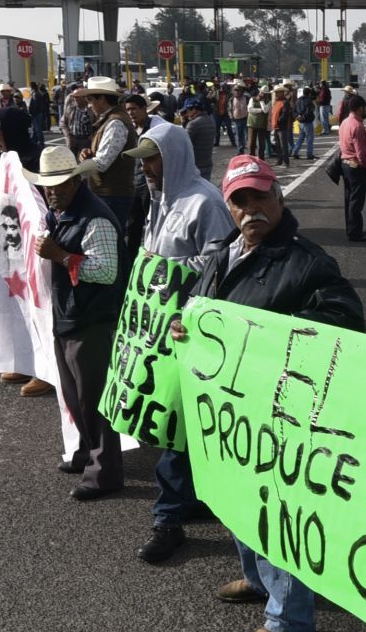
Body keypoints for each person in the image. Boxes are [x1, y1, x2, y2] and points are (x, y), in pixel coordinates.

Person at [172, 155, 365, 632]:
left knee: (278, 511)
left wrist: (273, 338)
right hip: (229, 409)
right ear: (230, 206)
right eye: (240, 200)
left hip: (279, 412)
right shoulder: (225, 253)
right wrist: (184, 325)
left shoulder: (309, 261)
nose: (251, 209)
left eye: (260, 197)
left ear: (279, 198)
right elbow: (198, 304)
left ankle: (289, 619)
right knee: (235, 499)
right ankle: (257, 579)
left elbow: (346, 325)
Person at [125, 120, 236, 563]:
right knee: (182, 423)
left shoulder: (203, 201)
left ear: (172, 157)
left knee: (173, 424)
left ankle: (167, 518)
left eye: (151, 160)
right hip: (160, 330)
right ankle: (192, 498)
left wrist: (163, 268)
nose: (146, 169)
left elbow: (219, 261)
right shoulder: (159, 199)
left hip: (192, 331)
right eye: (143, 161)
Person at [25, 145, 125, 501]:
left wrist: (62, 255)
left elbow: (107, 270)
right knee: (75, 395)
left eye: (60, 183)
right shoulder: (65, 211)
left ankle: (104, 472)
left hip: (90, 319)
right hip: (71, 315)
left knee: (93, 399)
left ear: (76, 180)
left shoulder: (93, 217)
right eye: (47, 184)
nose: (52, 190)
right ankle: (87, 454)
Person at [78, 76, 136, 227]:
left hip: (112, 194)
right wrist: (89, 153)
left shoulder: (116, 123)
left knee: (110, 240)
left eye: (90, 100)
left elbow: (102, 163)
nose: (89, 105)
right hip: (108, 192)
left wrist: (74, 172)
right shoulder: (110, 120)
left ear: (102, 99)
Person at [336, 92, 366, 241]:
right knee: (356, 201)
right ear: (359, 108)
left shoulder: (345, 122)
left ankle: (351, 229)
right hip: (356, 166)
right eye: (364, 108)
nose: (365, 110)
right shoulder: (357, 125)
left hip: (345, 164)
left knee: (349, 199)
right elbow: (361, 151)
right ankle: (355, 232)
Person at [293, 84, 318, 159]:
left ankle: (295, 152)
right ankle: (309, 154)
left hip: (300, 122)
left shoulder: (298, 100)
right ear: (309, 93)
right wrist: (303, 116)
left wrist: (297, 116)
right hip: (307, 121)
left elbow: (294, 110)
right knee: (309, 139)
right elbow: (309, 111)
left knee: (300, 138)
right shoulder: (309, 101)